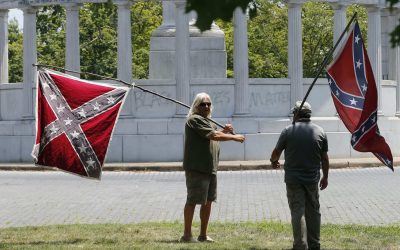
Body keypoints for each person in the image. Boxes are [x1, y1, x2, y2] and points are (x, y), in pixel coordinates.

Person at [180, 92, 245, 243]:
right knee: (192, 200)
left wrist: (225, 132)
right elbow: (213, 136)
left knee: (208, 201)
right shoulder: (194, 119)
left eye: (208, 104)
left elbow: (214, 137)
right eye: (203, 104)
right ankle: (187, 235)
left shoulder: (208, 121)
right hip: (197, 168)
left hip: (210, 168)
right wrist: (234, 137)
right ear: (196, 106)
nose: (207, 106)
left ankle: (203, 235)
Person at [269, 101, 329, 250]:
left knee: (298, 211)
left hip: (293, 179)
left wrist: (273, 161)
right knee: (313, 211)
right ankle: (314, 244)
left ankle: (300, 245)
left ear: (296, 114)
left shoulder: (288, 131)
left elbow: (276, 153)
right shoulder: (320, 131)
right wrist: (325, 176)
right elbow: (325, 159)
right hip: (312, 179)